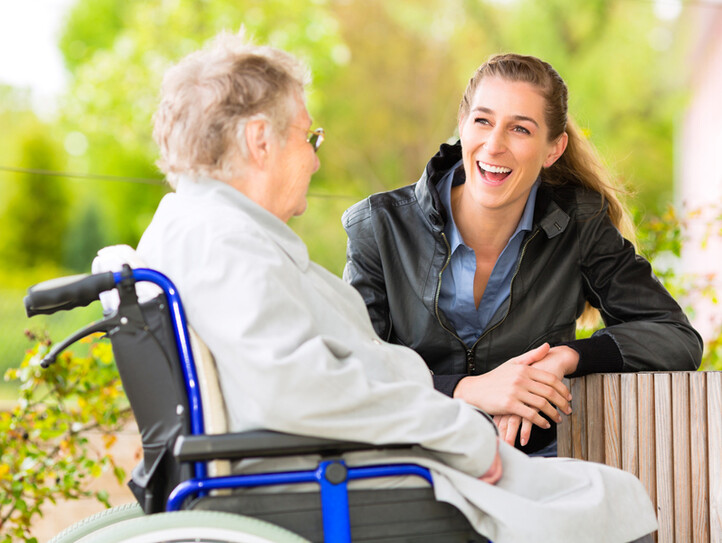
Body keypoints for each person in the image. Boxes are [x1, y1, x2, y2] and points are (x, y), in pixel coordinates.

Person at [136, 32, 657, 542]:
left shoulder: (210, 232)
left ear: (552, 147)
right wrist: (467, 436)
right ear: (259, 140)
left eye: (521, 129)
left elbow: (320, 376)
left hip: (366, 463)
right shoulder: (223, 243)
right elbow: (300, 390)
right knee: (610, 498)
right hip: (349, 479)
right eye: (308, 137)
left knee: (597, 492)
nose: (316, 160)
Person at [342, 53, 703, 456]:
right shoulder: (380, 226)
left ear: (553, 149)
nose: (494, 145)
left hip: (535, 467)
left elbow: (675, 338)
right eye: (483, 121)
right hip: (411, 463)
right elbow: (352, 368)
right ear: (462, 125)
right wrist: (467, 390)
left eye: (520, 129)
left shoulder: (579, 224)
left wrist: (565, 359)